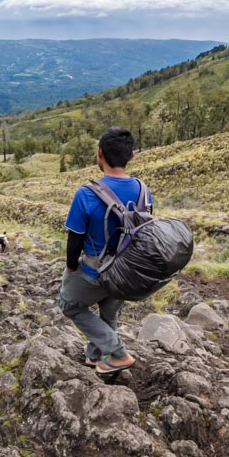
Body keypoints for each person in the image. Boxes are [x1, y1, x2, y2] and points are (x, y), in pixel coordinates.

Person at [58, 127, 152, 375]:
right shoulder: (143, 190)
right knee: (108, 312)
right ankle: (94, 356)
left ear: (100, 154)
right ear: (131, 156)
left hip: (95, 271)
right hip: (126, 271)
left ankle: (119, 354)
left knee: (69, 304)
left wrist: (71, 267)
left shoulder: (86, 194)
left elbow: (75, 240)